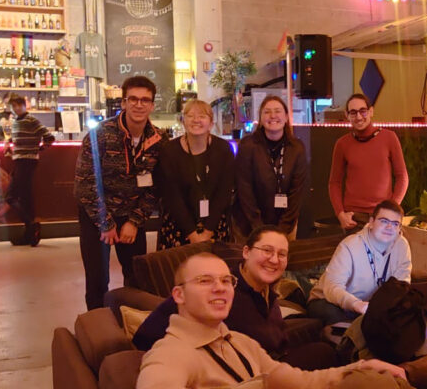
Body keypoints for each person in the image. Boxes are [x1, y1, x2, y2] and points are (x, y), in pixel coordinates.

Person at [133, 252, 427, 389]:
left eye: (226, 280)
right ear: (179, 295)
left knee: (389, 382)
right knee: (379, 388)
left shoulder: (238, 341)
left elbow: (300, 384)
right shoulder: (172, 349)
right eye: (205, 281)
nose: (220, 288)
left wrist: (362, 366)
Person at [134, 226, 337, 371]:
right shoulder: (222, 291)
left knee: (327, 350)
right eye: (267, 250)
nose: (274, 260)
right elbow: (148, 334)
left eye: (282, 254)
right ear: (246, 252)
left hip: (270, 364)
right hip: (246, 377)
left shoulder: (268, 292)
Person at [74, 76, 167, 309]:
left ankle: (133, 327)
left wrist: (135, 222)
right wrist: (105, 223)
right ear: (123, 102)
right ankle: (97, 331)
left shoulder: (158, 139)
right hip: (97, 217)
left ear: (152, 105)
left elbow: (156, 186)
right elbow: (85, 183)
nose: (139, 104)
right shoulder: (100, 135)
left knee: (137, 278)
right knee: (97, 280)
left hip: (133, 215)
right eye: (133, 99)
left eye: (145, 100)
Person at [307, 200, 412, 326]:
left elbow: (401, 285)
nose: (390, 227)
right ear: (371, 222)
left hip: (370, 306)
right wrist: (357, 305)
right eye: (384, 221)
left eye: (395, 224)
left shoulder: (402, 245)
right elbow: (332, 288)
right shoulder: (350, 245)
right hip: (329, 301)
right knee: (337, 318)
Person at [156, 99, 235, 250]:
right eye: (190, 116)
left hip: (214, 225)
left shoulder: (223, 149)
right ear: (183, 121)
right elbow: (171, 196)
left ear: (211, 123)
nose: (196, 120)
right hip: (178, 226)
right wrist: (192, 233)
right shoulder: (169, 150)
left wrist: (208, 231)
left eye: (202, 116)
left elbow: (224, 192)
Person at [328, 93, 408, 231]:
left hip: (383, 216)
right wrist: (341, 214)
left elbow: (403, 177)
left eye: (362, 111)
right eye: (353, 112)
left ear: (371, 111)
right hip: (354, 218)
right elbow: (334, 182)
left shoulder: (389, 137)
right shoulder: (342, 144)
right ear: (347, 115)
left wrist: (392, 210)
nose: (358, 117)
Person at [232, 96, 308, 240]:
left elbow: (297, 192)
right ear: (260, 119)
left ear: (286, 117)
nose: (273, 116)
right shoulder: (247, 146)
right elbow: (245, 191)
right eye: (267, 112)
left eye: (277, 111)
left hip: (286, 225)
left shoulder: (297, 148)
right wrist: (259, 229)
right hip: (249, 226)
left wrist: (281, 231)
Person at [4, 95, 54, 247]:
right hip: (19, 160)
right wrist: (8, 143)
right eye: (13, 106)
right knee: (25, 198)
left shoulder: (32, 120)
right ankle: (29, 235)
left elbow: (49, 138)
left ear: (25, 105)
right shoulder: (16, 122)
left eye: (19, 105)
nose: (16, 108)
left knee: (10, 197)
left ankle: (32, 225)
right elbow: (16, 137)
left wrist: (38, 149)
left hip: (27, 161)